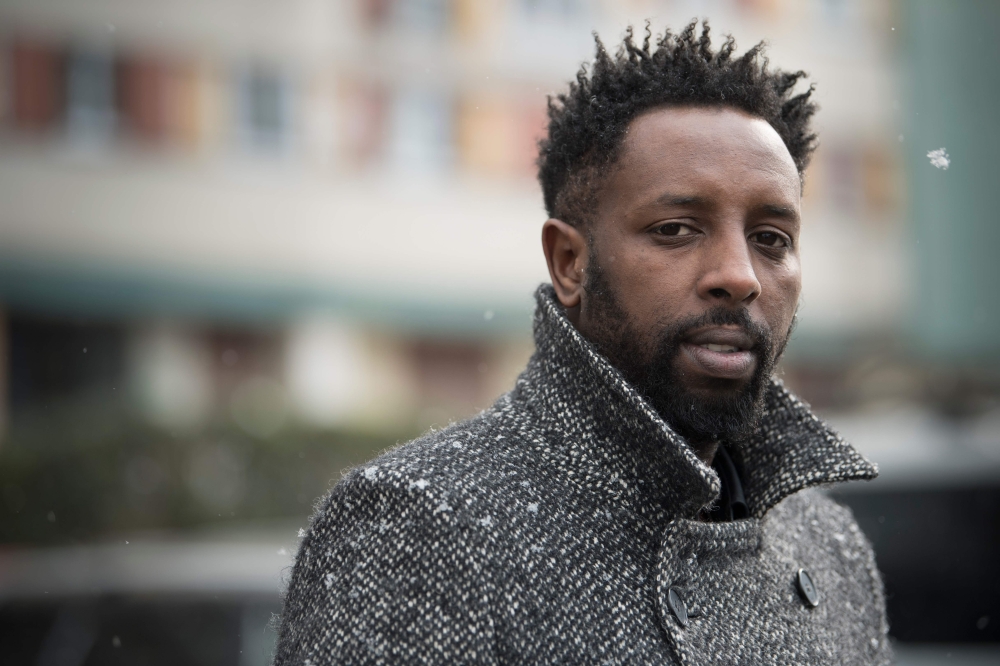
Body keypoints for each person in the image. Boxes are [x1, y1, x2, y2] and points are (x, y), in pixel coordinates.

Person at [274, 21, 891, 665]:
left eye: (771, 239)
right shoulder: (421, 525)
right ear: (570, 262)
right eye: (677, 229)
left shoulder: (830, 545)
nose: (740, 276)